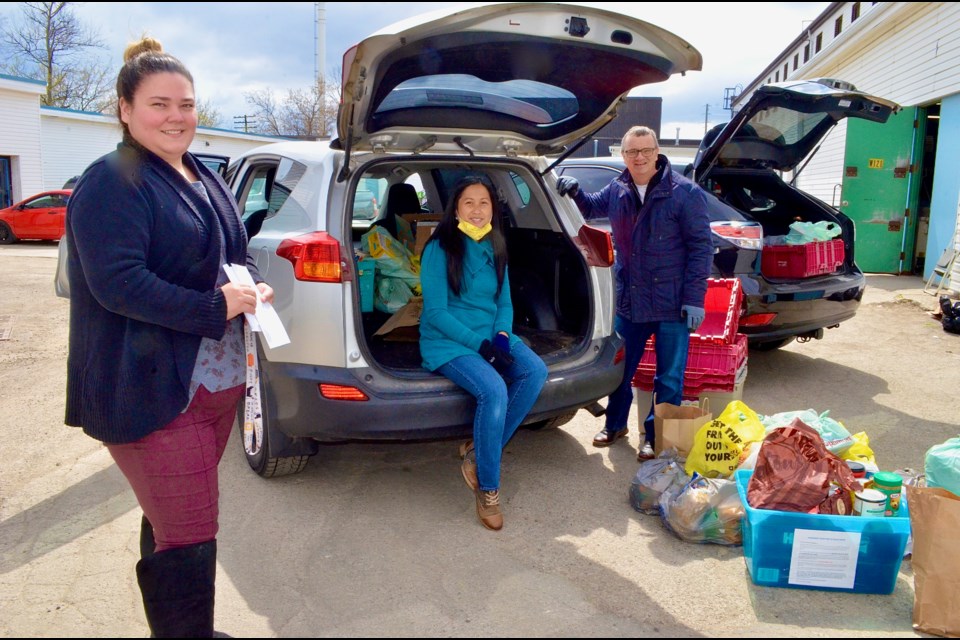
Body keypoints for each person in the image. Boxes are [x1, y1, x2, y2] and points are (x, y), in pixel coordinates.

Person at [64, 37, 273, 637]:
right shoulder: (113, 180)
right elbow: (119, 285)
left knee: (173, 519)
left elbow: (233, 253)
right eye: (160, 104)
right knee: (192, 531)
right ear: (125, 110)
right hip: (152, 388)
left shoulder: (201, 172)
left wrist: (251, 287)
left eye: (186, 104)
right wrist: (217, 305)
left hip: (213, 384)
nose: (177, 116)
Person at [556, 126, 712, 461]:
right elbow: (592, 208)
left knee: (668, 377)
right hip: (631, 300)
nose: (638, 158)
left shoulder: (685, 193)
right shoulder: (618, 189)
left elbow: (702, 248)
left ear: (657, 152)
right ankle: (615, 425)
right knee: (621, 370)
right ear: (623, 155)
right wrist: (575, 192)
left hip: (673, 303)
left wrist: (694, 299)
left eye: (644, 150)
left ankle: (654, 436)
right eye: (631, 152)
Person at [418, 175, 548, 531]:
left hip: (490, 335)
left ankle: (479, 452)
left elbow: (504, 302)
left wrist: (503, 337)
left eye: (484, 202)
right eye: (469, 203)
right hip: (448, 340)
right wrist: (481, 348)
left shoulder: (495, 244)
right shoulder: (439, 248)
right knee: (494, 390)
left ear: (494, 207)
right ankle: (488, 488)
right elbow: (436, 313)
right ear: (455, 208)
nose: (477, 210)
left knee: (535, 372)